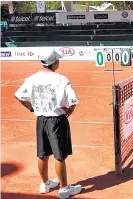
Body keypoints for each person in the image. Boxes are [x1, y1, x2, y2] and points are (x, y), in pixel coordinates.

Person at [14, 49, 82, 199]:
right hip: (56, 120)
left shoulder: (32, 78)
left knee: (42, 154)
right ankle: (64, 189)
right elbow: (73, 100)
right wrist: (70, 111)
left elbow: (18, 95)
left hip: (41, 120)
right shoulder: (61, 79)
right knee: (59, 156)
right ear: (55, 62)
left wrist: (31, 108)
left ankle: (45, 184)